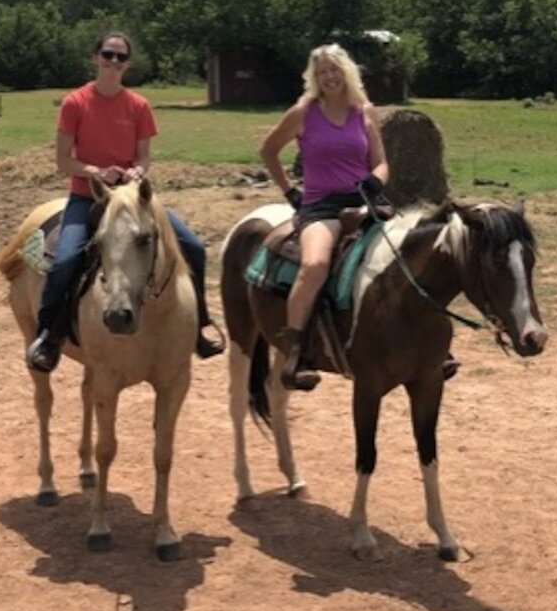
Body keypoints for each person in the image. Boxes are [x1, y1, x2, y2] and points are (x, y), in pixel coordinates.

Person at [258, 44, 458, 390]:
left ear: (346, 72)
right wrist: (289, 191)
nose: (329, 77)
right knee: (315, 265)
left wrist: (373, 181)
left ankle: (433, 347)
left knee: (411, 255)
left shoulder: (363, 112)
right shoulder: (304, 112)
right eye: (321, 72)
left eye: (334, 70)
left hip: (366, 201)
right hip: (321, 206)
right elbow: (269, 150)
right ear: (314, 78)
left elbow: (381, 162)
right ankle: (295, 350)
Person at [26, 32, 225, 373]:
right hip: (89, 198)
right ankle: (50, 334)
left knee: (193, 247)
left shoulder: (138, 106)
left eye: (120, 57)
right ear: (95, 58)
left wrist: (135, 172)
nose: (113, 61)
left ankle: (199, 325)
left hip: (133, 200)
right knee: (65, 260)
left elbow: (144, 158)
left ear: (128, 64)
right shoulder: (75, 103)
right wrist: (97, 172)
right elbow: (63, 161)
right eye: (108, 54)